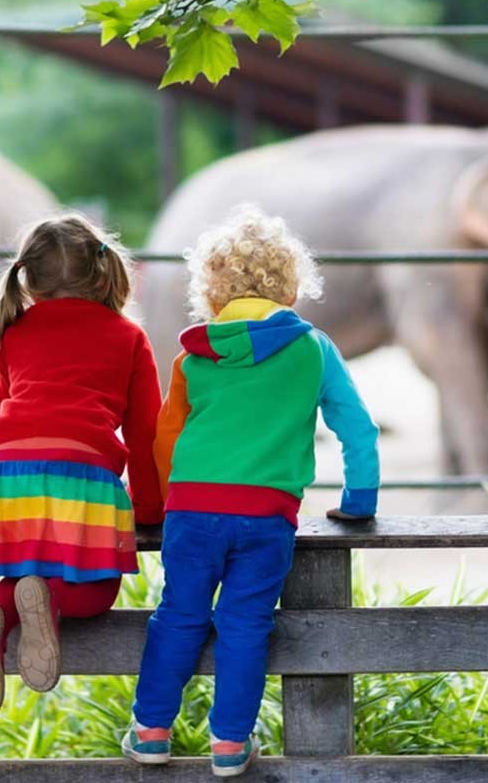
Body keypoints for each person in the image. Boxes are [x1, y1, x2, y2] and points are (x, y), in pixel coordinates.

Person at [121, 206, 379, 775]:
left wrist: (162, 505)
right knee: (245, 625)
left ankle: (151, 732)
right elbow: (357, 428)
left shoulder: (194, 356)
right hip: (267, 516)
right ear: (290, 285)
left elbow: (166, 436)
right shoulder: (312, 348)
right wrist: (359, 502)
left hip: (191, 511)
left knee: (179, 615)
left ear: (212, 292)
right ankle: (230, 744)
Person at [0, 214, 163, 717]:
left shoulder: (14, 332)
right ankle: (48, 599)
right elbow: (145, 434)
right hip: (81, 470)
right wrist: (150, 510)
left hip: (1, 478)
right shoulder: (128, 336)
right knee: (96, 591)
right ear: (103, 272)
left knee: (25, 574)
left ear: (29, 279)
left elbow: (5, 421)